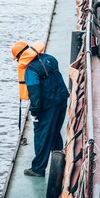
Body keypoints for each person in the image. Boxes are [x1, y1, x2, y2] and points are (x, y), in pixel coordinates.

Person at [11, 40, 69, 177]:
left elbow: (35, 92)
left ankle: (38, 169)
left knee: (42, 135)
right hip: (61, 100)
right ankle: (60, 162)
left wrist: (35, 111)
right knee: (54, 132)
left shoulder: (30, 70)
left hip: (47, 106)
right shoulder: (49, 58)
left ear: (20, 57)